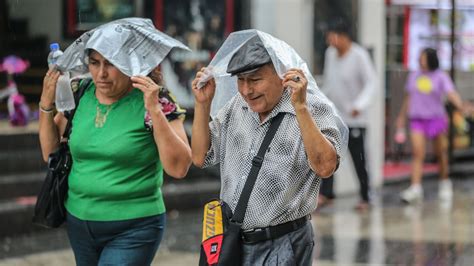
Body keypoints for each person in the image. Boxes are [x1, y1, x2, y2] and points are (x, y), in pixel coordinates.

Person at [38, 18, 192, 265]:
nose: (101, 73)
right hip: (79, 220)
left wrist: (154, 110)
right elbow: (50, 152)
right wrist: (46, 105)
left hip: (135, 226)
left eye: (111, 64)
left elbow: (179, 167)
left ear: (131, 63)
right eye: (94, 62)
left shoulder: (155, 99)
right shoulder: (80, 92)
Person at [191, 30, 347, 265]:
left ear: (282, 73)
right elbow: (200, 157)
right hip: (234, 242)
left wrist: (301, 108)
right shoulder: (236, 107)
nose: (246, 90)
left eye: (255, 80)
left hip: (284, 244)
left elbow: (325, 167)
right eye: (240, 80)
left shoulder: (311, 107)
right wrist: (202, 105)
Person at [319, 19, 378, 211]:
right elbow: (329, 82)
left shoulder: (359, 55)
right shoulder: (330, 55)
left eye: (334, 37)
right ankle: (327, 192)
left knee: (358, 158)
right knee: (330, 154)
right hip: (335, 117)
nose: (331, 42)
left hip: (355, 118)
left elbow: (372, 83)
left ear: (345, 37)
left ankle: (365, 195)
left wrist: (359, 105)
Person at [396, 47, 466, 204]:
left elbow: (451, 93)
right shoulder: (414, 75)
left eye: (423, 57)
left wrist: (461, 106)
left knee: (440, 153)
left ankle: (444, 182)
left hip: (436, 119)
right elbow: (408, 97)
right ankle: (415, 188)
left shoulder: (440, 76)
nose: (420, 60)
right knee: (417, 153)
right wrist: (401, 117)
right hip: (417, 119)